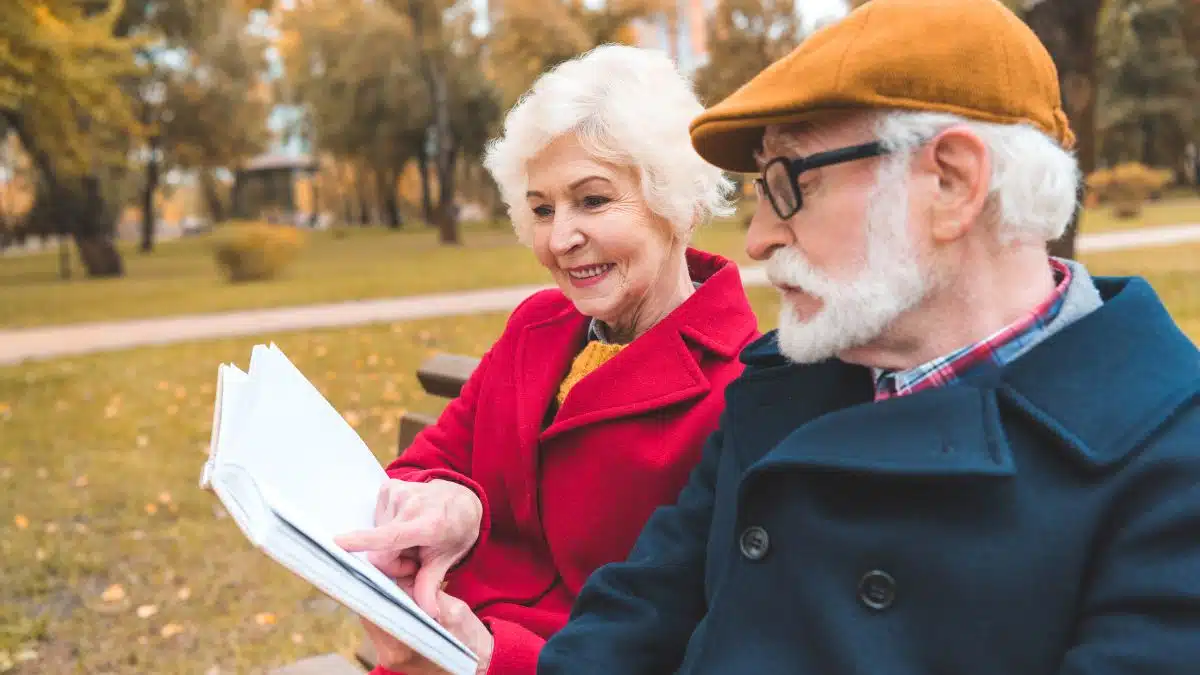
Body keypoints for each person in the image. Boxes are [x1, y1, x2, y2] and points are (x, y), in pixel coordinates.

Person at [538, 1, 1200, 673]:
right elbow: (636, 610)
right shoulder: (785, 383)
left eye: (788, 182)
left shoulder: (1170, 466)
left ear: (951, 182)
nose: (760, 238)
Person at [333, 44, 760, 675]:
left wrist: (492, 656)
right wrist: (459, 506)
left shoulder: (740, 391)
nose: (560, 239)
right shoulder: (538, 324)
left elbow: (699, 642)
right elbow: (429, 460)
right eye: (541, 208)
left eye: (592, 201)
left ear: (681, 204)